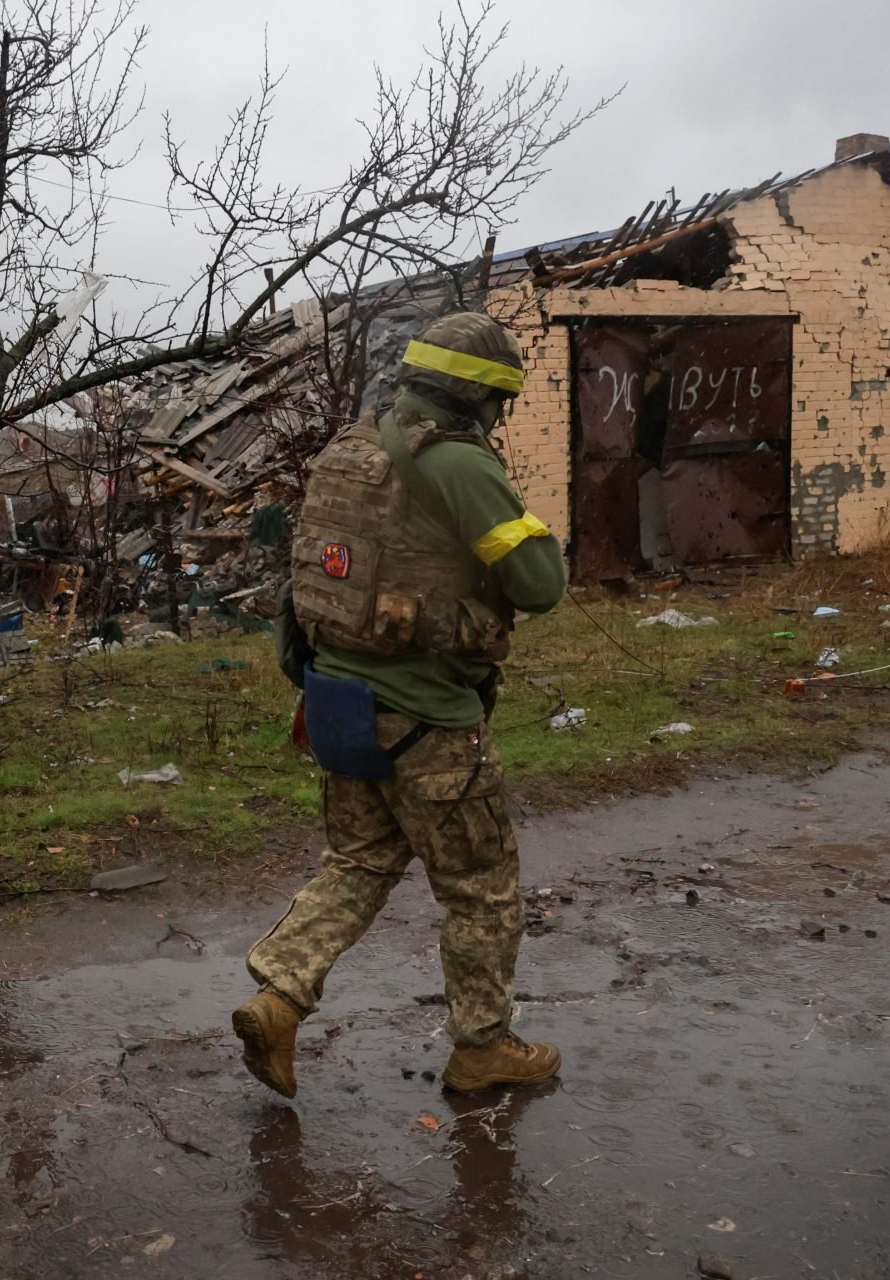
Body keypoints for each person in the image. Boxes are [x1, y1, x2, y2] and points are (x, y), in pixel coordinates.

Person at [234, 312, 565, 1096]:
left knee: (360, 860)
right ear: (478, 397)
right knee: (481, 888)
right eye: (500, 402)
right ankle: (482, 1048)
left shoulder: (346, 451)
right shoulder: (458, 465)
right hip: (429, 720)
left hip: (340, 706)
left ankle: (278, 999)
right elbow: (541, 585)